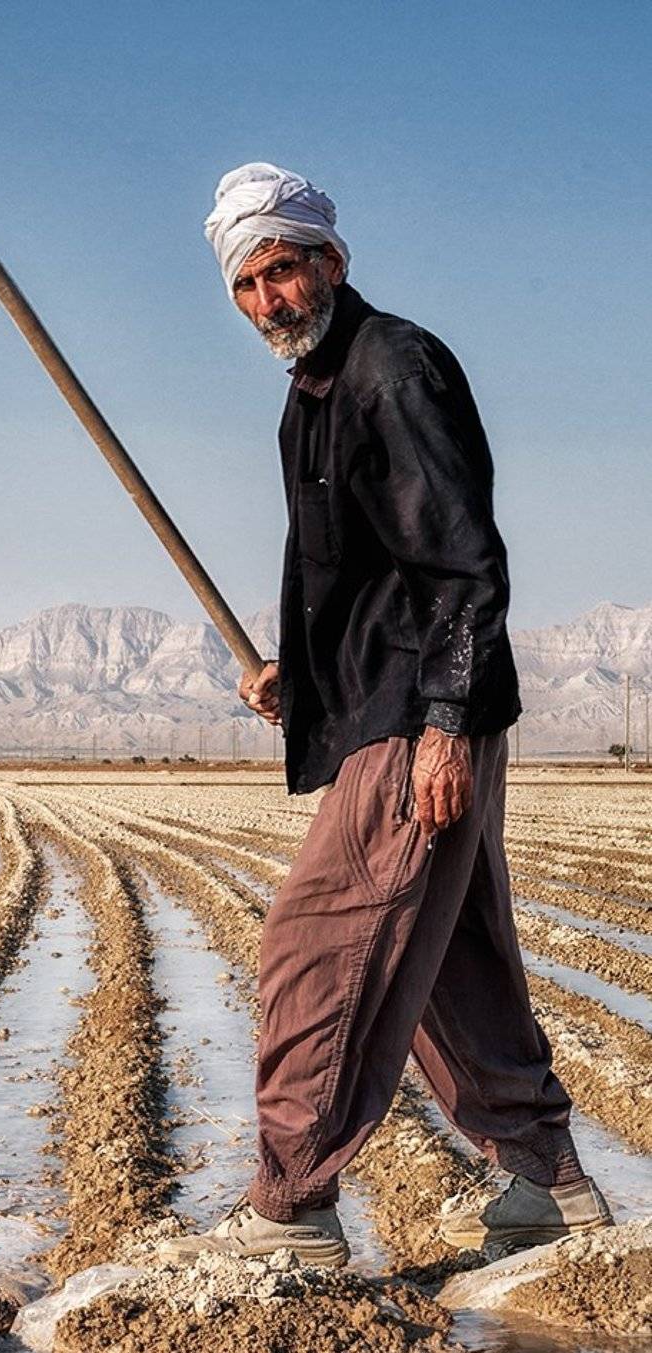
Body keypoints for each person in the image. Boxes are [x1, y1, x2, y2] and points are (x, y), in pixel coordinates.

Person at [162, 162, 611, 1267]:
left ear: (332, 260)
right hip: (386, 701)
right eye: (248, 284)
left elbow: (459, 564)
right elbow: (354, 577)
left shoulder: (391, 368)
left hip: (420, 715)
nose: (270, 298)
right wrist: (295, 677)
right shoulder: (310, 394)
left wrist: (445, 728)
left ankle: (294, 1207)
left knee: (320, 942)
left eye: (284, 269)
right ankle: (546, 1182)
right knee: (449, 954)